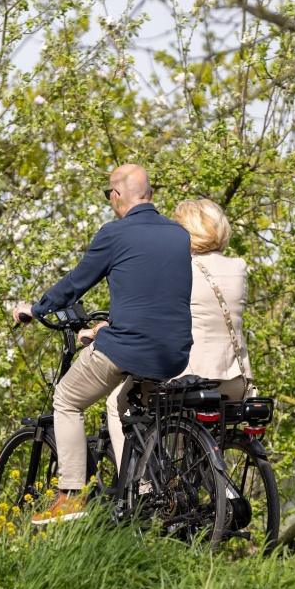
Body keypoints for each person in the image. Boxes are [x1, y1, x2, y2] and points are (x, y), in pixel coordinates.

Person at [11, 164, 193, 523]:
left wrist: (36, 308)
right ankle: (144, 490)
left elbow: (75, 283)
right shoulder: (179, 235)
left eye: (109, 194)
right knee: (126, 408)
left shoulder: (115, 233)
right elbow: (155, 292)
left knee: (66, 398)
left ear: (117, 194)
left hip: (129, 347)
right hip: (174, 352)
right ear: (150, 194)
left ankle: (70, 495)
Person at [94, 197, 252, 466]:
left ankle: (139, 486)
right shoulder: (238, 267)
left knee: (116, 403)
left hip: (187, 377)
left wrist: (104, 328)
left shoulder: (177, 267)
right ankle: (200, 481)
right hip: (235, 381)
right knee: (183, 442)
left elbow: (149, 315)